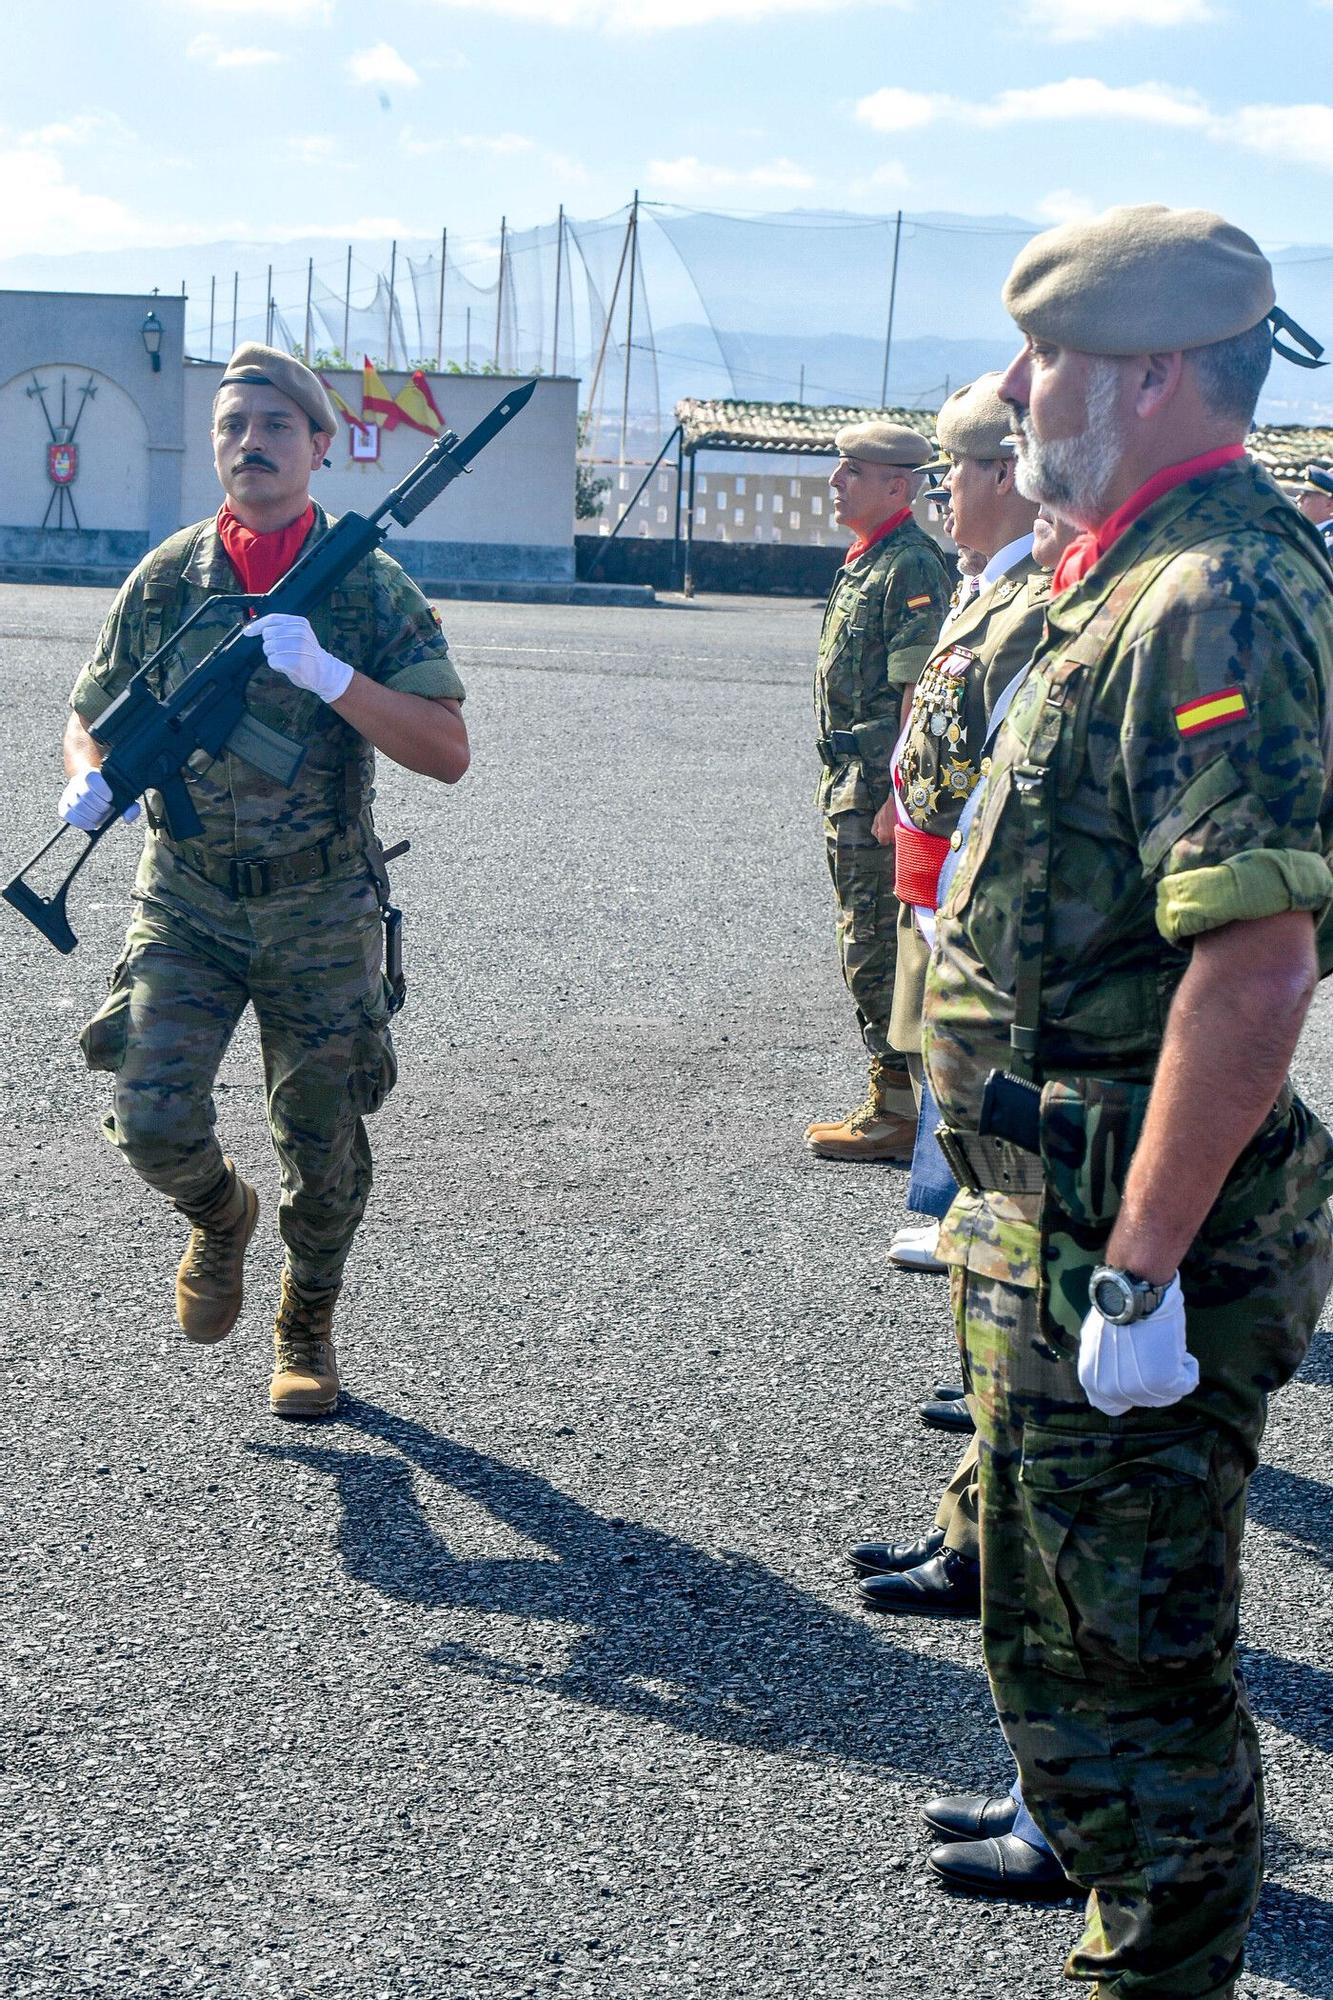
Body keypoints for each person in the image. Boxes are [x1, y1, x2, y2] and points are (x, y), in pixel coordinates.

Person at [919, 205, 1333, 1986]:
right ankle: (1091, 1868)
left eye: (1054, 358)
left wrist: (1139, 1269)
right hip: (1047, 1196)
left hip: (1127, 1224)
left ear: (1156, 373)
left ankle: (1154, 1956)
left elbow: (1252, 969)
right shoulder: (1113, 564)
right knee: (1042, 1609)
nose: (1020, 390)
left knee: (1140, 1654)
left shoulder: (1219, 588)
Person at [63, 342, 469, 1419]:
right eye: (233, 427)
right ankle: (219, 1213)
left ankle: (307, 1325)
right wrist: (90, 781)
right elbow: (91, 712)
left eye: (276, 426)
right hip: (187, 894)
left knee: (324, 1138)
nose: (251, 444)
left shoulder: (367, 585)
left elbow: (445, 747)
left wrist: (334, 677)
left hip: (320, 901)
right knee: (149, 1114)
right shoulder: (170, 576)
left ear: (318, 446)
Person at [805, 422, 952, 1162]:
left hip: (874, 787)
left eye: (851, 472)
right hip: (849, 781)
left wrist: (899, 793)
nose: (835, 483)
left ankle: (905, 1112)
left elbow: (916, 690)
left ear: (898, 486)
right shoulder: (869, 561)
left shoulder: (911, 567)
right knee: (859, 938)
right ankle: (895, 1101)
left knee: (874, 946)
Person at [1293, 461, 1333, 553]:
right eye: (1301, 494)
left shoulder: (1329, 542)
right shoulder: (1313, 533)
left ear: (1329, 504)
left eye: (1307, 495)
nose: (1299, 499)